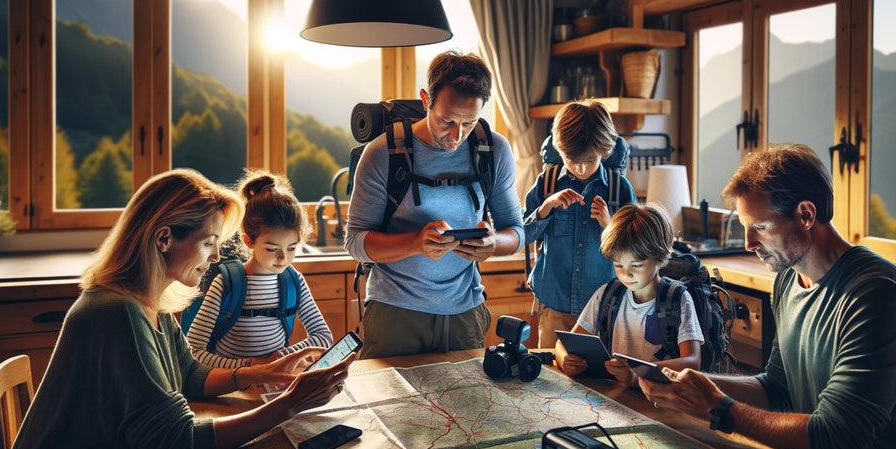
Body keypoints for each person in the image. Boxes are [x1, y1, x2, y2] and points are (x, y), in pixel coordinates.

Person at [4, 169, 353, 449]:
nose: (217, 256)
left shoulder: (145, 301)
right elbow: (178, 446)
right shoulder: (115, 314)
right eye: (208, 242)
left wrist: (261, 372)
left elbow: (188, 375)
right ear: (164, 238)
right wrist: (290, 402)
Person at [639, 144, 896, 449]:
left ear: (806, 215)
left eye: (760, 228)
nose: (749, 244)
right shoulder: (789, 280)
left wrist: (719, 407)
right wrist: (688, 383)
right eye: (746, 228)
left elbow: (836, 440)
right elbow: (778, 389)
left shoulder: (876, 296)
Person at [345, 50, 523, 359]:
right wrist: (416, 243)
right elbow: (355, 242)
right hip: (394, 313)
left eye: (469, 122)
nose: (456, 136)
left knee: (468, 406)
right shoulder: (382, 153)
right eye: (446, 121)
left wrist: (493, 244)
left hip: (465, 311)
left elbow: (516, 232)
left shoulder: (494, 150)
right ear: (426, 98)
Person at [186, 171, 333, 368]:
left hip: (272, 381)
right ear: (249, 241)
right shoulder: (227, 283)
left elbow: (323, 337)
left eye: (292, 248)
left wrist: (281, 358)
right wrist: (252, 367)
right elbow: (193, 351)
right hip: (231, 387)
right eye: (272, 249)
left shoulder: (294, 280)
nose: (283, 258)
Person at [523, 100, 636, 348]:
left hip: (606, 311)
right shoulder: (547, 182)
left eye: (591, 160)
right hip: (554, 305)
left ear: (604, 152)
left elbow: (636, 251)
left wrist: (609, 225)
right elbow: (523, 235)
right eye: (572, 161)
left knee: (600, 382)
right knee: (552, 380)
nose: (582, 168)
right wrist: (546, 207)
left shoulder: (619, 189)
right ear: (560, 150)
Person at [555, 203, 702, 385]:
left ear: (660, 258)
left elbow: (692, 362)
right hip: (616, 398)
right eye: (618, 265)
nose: (626, 274)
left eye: (636, 265)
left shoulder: (678, 299)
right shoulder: (606, 295)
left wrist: (637, 374)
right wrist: (564, 360)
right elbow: (563, 344)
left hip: (659, 400)